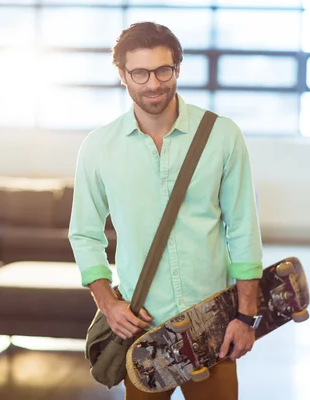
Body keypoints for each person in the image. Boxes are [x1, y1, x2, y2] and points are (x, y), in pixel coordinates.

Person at [68, 21, 263, 400]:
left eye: (163, 70)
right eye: (139, 73)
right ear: (122, 75)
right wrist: (108, 304)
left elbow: (242, 229)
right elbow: (84, 233)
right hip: (143, 328)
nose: (153, 83)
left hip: (214, 322)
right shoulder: (98, 147)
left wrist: (244, 316)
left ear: (178, 68)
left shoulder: (223, 135)